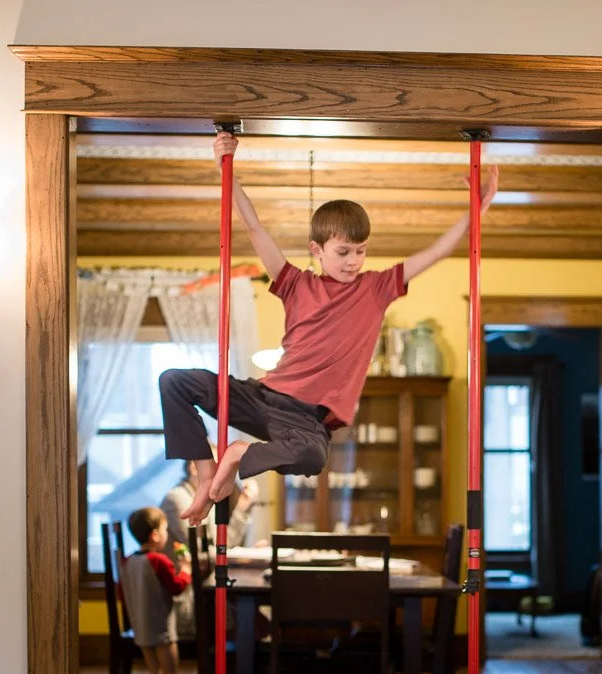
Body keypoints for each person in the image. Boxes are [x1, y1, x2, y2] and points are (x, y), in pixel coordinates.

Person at [160, 130, 498, 523]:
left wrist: (478, 210)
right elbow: (256, 230)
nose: (353, 261)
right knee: (174, 381)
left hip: (305, 419)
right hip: (263, 397)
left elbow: (437, 252)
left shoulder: (377, 288)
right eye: (343, 252)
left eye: (361, 251)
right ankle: (205, 470)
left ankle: (238, 455)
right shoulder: (295, 283)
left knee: (313, 456)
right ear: (317, 250)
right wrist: (227, 172)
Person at [160, 460, 255, 641]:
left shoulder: (201, 498)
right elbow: (202, 554)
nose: (223, 471)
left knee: (249, 613)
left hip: (200, 590)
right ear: (194, 467)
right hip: (184, 598)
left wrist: (243, 506)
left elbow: (221, 545)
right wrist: (240, 553)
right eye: (216, 464)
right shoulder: (178, 499)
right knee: (247, 612)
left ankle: (249, 662)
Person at [119, 506, 191, 674]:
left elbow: (123, 592)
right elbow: (177, 587)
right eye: (165, 529)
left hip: (140, 628)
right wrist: (186, 569)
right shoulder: (159, 561)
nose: (168, 534)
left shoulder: (128, 561)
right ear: (155, 535)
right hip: (161, 628)